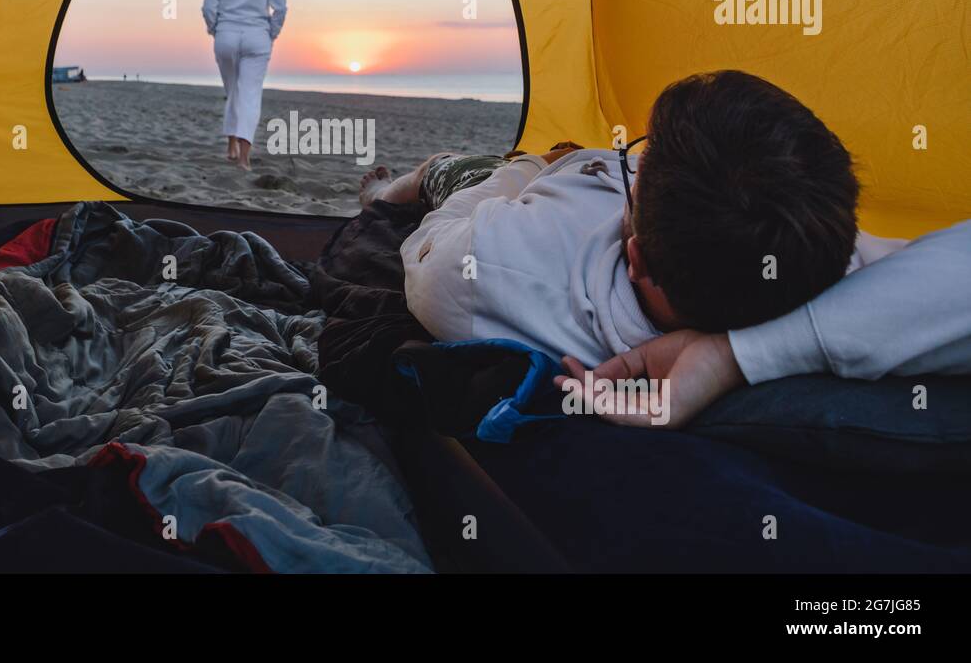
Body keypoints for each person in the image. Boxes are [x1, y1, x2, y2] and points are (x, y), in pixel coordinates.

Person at [359, 70, 970, 426]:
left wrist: (524, 172)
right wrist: (733, 354)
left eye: (641, 167)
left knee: (446, 176)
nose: (642, 157)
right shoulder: (849, 272)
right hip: (592, 180)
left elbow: (430, 244)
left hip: (520, 188)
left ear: (637, 260)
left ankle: (390, 186)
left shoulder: (495, 268)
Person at [201, 0, 287, 170]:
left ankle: (231, 146)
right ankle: (243, 158)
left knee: (233, 92)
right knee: (249, 95)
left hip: (226, 35)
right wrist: (270, 33)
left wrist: (215, 30)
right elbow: (281, 8)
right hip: (257, 37)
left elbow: (209, 7)